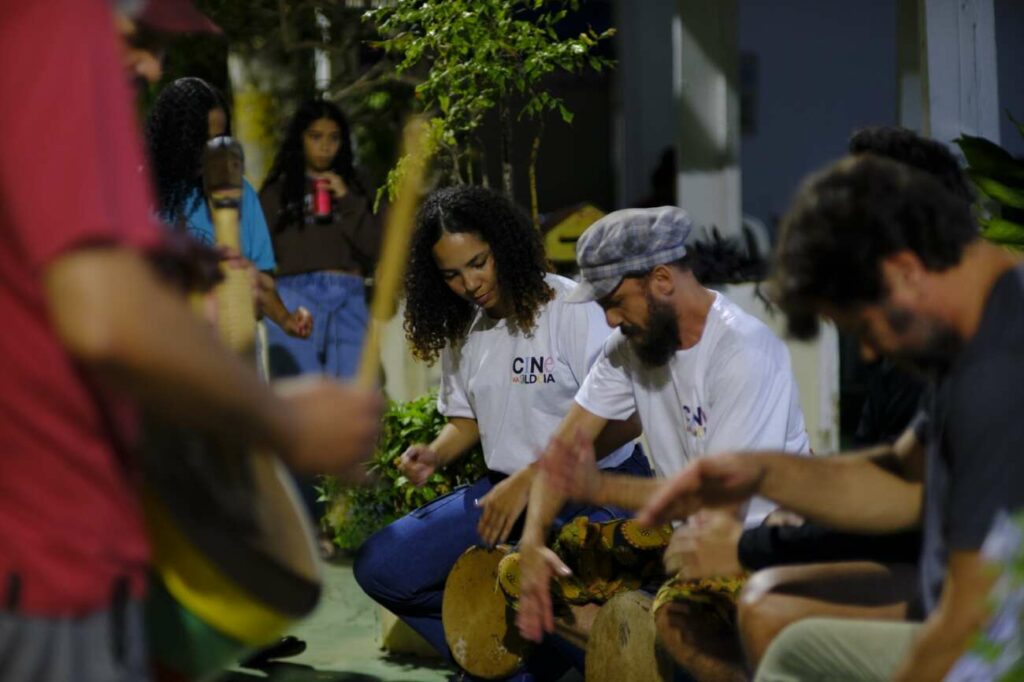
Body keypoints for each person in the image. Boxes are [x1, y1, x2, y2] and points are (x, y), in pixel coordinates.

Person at [0, 1, 380, 679]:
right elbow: (106, 314)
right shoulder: (56, 24)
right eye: (139, 39)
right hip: (47, 559)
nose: (150, 65)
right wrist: (285, 421)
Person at [638, 153, 1023, 681]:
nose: (867, 354)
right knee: (784, 639)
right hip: (973, 621)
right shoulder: (979, 330)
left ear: (905, 271)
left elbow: (974, 628)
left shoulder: (997, 374)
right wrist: (762, 472)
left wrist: (747, 546)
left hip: (995, 648)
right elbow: (904, 477)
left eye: (863, 326)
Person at [352, 186, 650, 678]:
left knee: (554, 596)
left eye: (478, 262)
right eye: (451, 274)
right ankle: (507, 662)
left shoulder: (571, 308)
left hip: (593, 490)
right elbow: (467, 419)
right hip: (504, 494)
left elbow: (625, 422)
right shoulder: (464, 330)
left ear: (503, 245)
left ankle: (563, 660)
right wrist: (434, 453)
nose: (469, 283)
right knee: (383, 566)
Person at [516, 206, 810, 681]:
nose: (610, 320)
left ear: (661, 280)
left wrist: (602, 489)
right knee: (529, 571)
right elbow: (566, 444)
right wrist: (531, 542)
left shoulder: (743, 352)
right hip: (685, 531)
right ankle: (630, 660)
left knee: (677, 614)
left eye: (615, 301)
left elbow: (716, 508)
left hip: (754, 543)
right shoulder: (631, 347)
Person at [145, 76, 311, 339]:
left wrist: (286, 319)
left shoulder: (240, 191)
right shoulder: (139, 192)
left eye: (219, 139)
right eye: (201, 140)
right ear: (175, 139)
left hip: (229, 351)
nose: (212, 150)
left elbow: (259, 282)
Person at [259, 98, 380, 379]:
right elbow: (260, 254)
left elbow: (377, 248)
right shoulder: (277, 192)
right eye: (315, 137)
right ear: (299, 139)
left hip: (349, 295)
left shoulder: (357, 186)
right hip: (293, 296)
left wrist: (348, 200)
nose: (325, 146)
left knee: (356, 398)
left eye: (334, 138)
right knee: (298, 400)